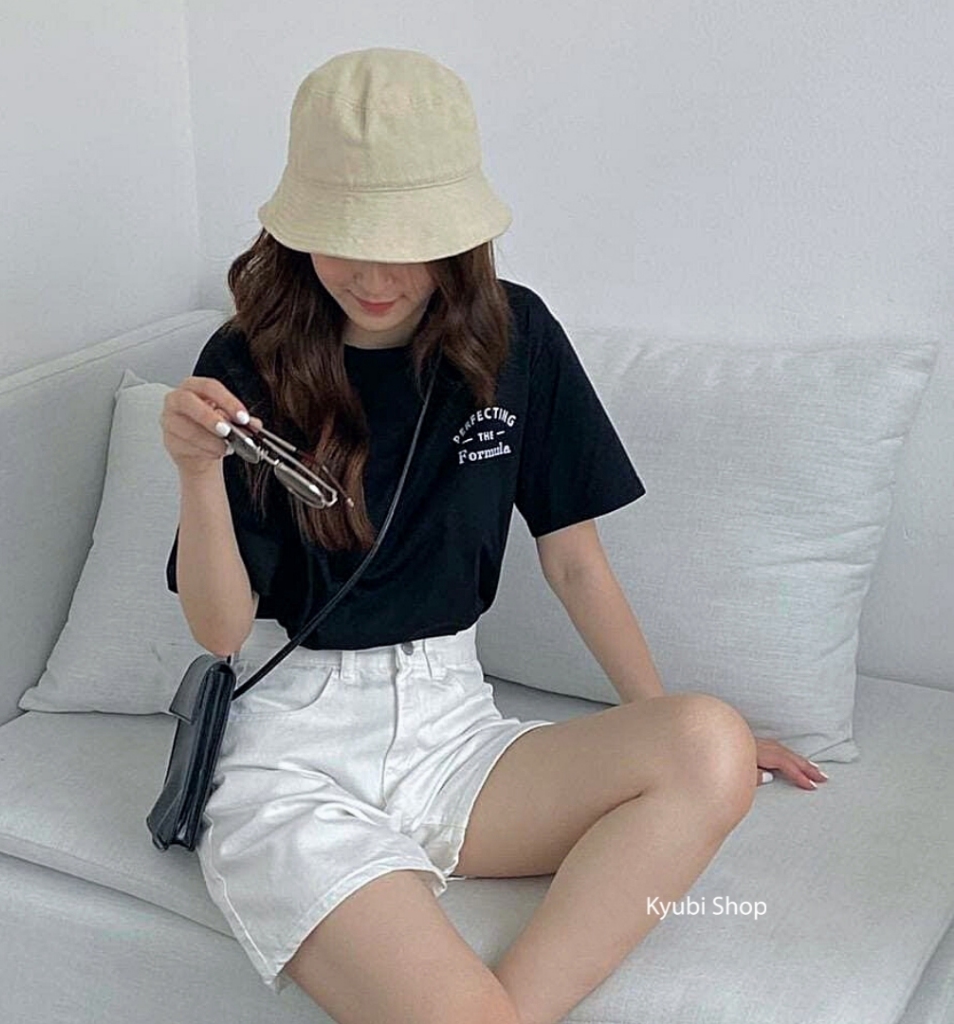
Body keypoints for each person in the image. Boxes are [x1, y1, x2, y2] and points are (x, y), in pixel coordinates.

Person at [160, 47, 827, 1024]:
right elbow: (220, 633)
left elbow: (574, 560)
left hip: (454, 731)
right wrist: (194, 474)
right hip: (294, 751)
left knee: (707, 738)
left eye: (408, 240)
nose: (375, 275)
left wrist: (659, 728)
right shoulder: (246, 357)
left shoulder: (516, 337)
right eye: (345, 238)